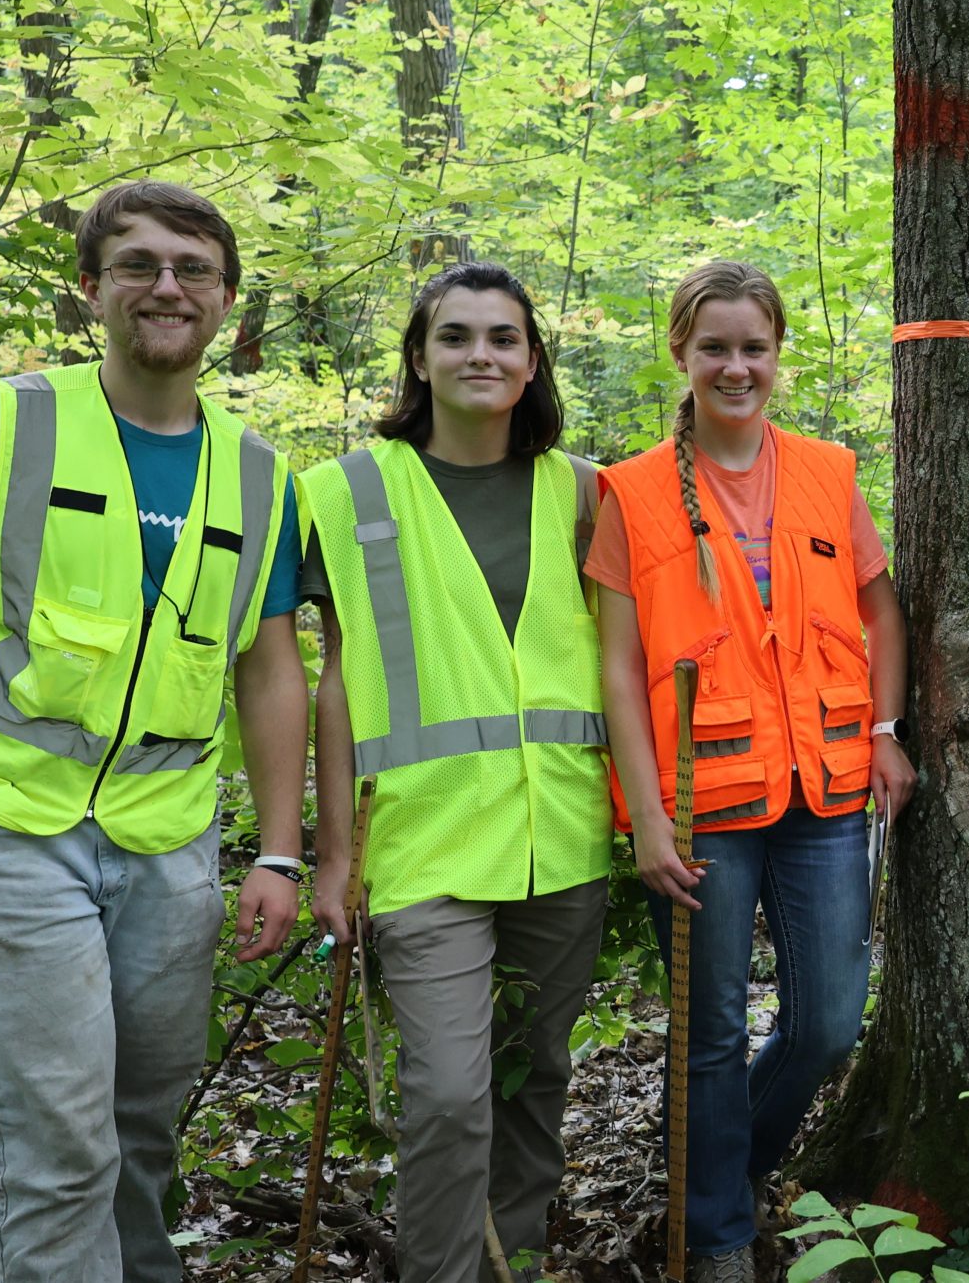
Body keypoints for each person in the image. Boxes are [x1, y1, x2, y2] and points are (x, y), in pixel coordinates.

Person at [0, 180, 306, 1281]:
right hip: (3, 834)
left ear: (228, 303)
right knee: (57, 1153)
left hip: (169, 844)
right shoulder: (5, 423)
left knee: (142, 1142)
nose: (167, 286)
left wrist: (281, 850)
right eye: (140, 264)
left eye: (193, 269)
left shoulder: (259, 474)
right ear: (90, 289)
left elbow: (271, 667)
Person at [592, 260, 917, 1283]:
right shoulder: (630, 492)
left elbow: (879, 608)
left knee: (826, 1024)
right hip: (700, 807)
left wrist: (885, 728)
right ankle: (718, 1235)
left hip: (823, 792)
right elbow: (615, 661)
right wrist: (646, 816)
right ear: (681, 355)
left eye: (754, 349)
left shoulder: (828, 469)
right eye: (715, 348)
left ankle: (722, 1173)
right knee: (708, 1038)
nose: (736, 368)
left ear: (777, 356)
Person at [298, 262, 611, 1282]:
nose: (482, 354)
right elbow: (336, 680)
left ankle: (508, 1261)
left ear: (531, 364)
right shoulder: (344, 493)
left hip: (559, 839)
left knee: (535, 1083)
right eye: (457, 337)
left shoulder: (586, 493)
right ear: (420, 360)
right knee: (444, 1094)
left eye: (504, 339)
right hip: (420, 841)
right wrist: (332, 854)